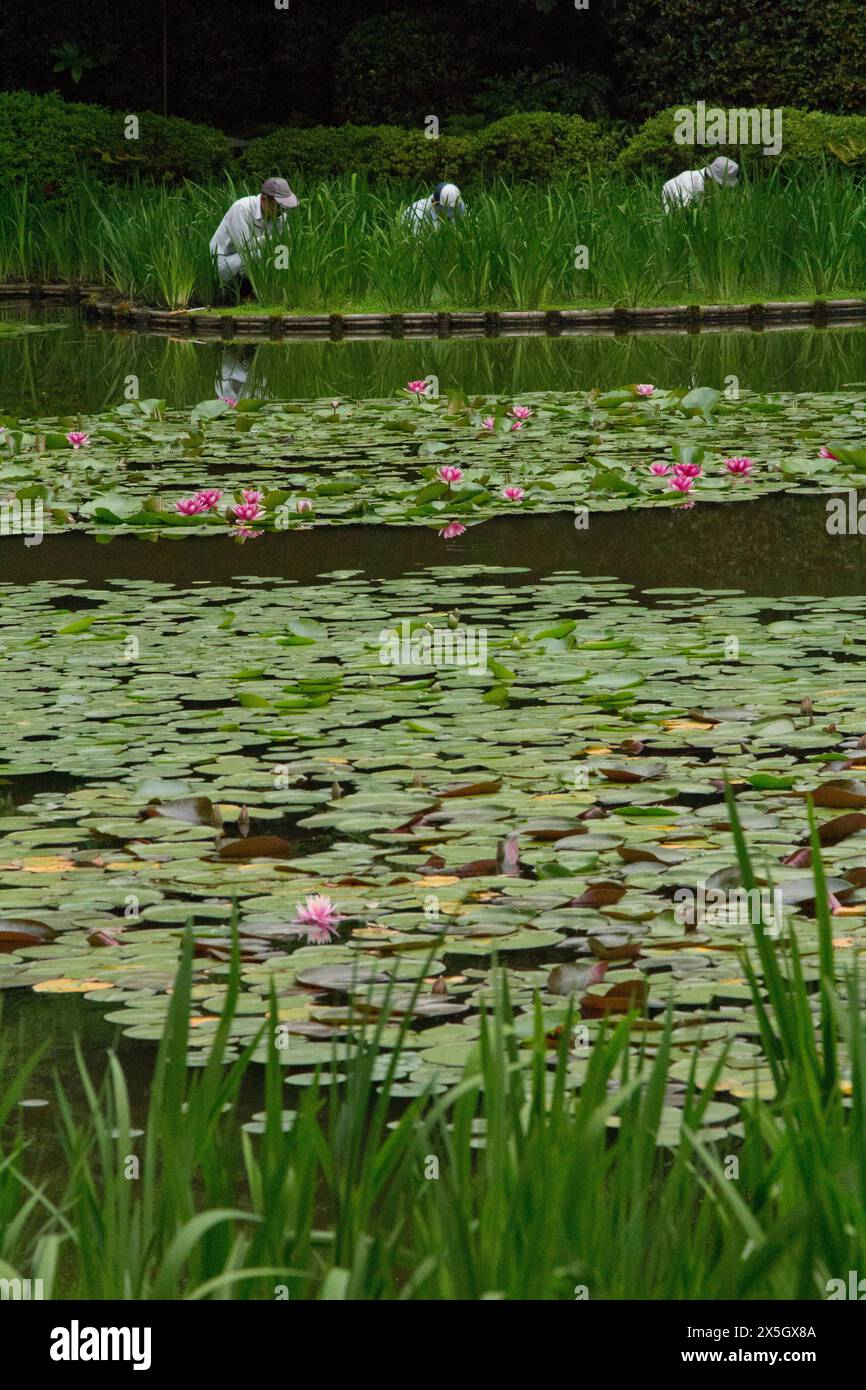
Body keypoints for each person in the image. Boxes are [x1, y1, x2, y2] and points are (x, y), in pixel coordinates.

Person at [210, 177, 299, 290]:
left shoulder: (281, 216)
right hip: (223, 261)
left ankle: (275, 290)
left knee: (282, 251)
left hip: (249, 262)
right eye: (279, 206)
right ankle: (242, 293)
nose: (282, 211)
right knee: (261, 254)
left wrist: (283, 277)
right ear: (264, 199)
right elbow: (244, 246)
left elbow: (283, 248)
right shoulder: (241, 208)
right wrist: (272, 239)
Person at [661, 156, 739, 210]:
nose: (722, 189)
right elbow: (684, 212)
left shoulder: (711, 186)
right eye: (720, 185)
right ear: (710, 177)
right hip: (672, 199)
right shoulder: (687, 182)